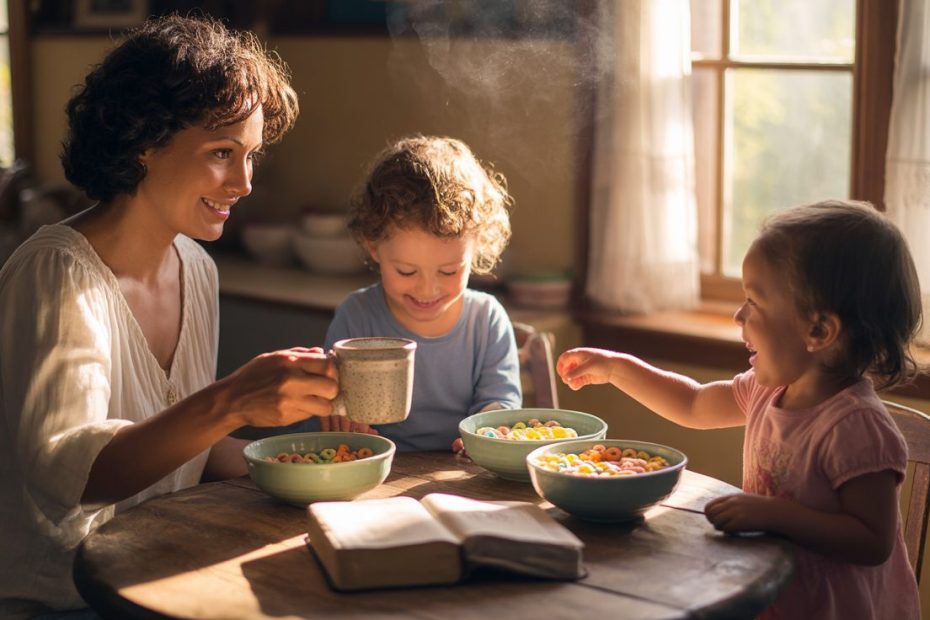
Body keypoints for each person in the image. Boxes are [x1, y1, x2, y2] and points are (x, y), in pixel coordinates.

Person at [0, 15, 340, 617]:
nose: (244, 183)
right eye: (221, 153)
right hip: (58, 597)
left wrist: (316, 462)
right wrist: (232, 399)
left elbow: (188, 447)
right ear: (144, 143)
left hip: (153, 571)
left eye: (252, 156)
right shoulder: (57, 274)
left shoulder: (196, 267)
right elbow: (70, 478)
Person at [557, 200, 922, 619]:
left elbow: (872, 540)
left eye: (754, 301)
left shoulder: (856, 426)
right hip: (776, 592)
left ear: (818, 330)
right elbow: (693, 403)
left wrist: (776, 514)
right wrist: (618, 368)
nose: (738, 315)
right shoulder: (769, 391)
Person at [288, 135, 522, 451]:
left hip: (462, 477)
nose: (428, 290)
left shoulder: (487, 319)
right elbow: (330, 404)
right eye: (406, 272)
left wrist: (489, 431)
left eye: (449, 271)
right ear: (374, 248)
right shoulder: (358, 315)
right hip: (376, 470)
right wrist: (339, 417)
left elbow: (500, 402)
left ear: (477, 248)